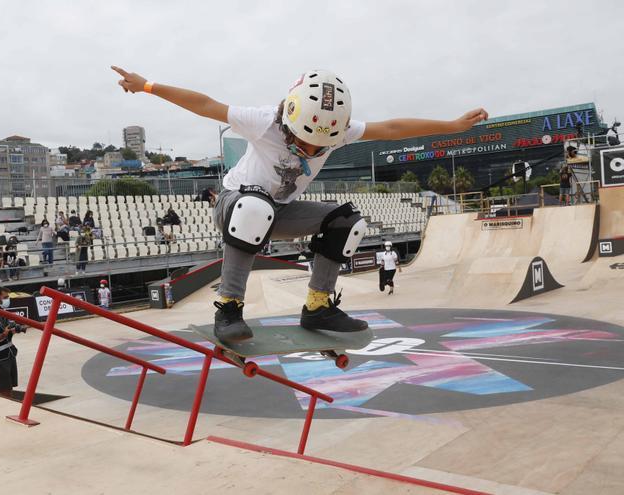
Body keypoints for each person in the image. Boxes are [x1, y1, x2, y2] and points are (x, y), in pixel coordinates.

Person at [111, 65, 487, 341]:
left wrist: (452, 126)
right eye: (304, 142)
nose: (311, 150)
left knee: (347, 221)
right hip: (234, 204)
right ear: (289, 121)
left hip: (283, 211)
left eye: (319, 146)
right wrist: (146, 85)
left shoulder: (338, 132)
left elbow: (391, 129)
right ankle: (228, 309)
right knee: (255, 210)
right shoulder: (263, 122)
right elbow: (205, 104)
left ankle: (318, 306)